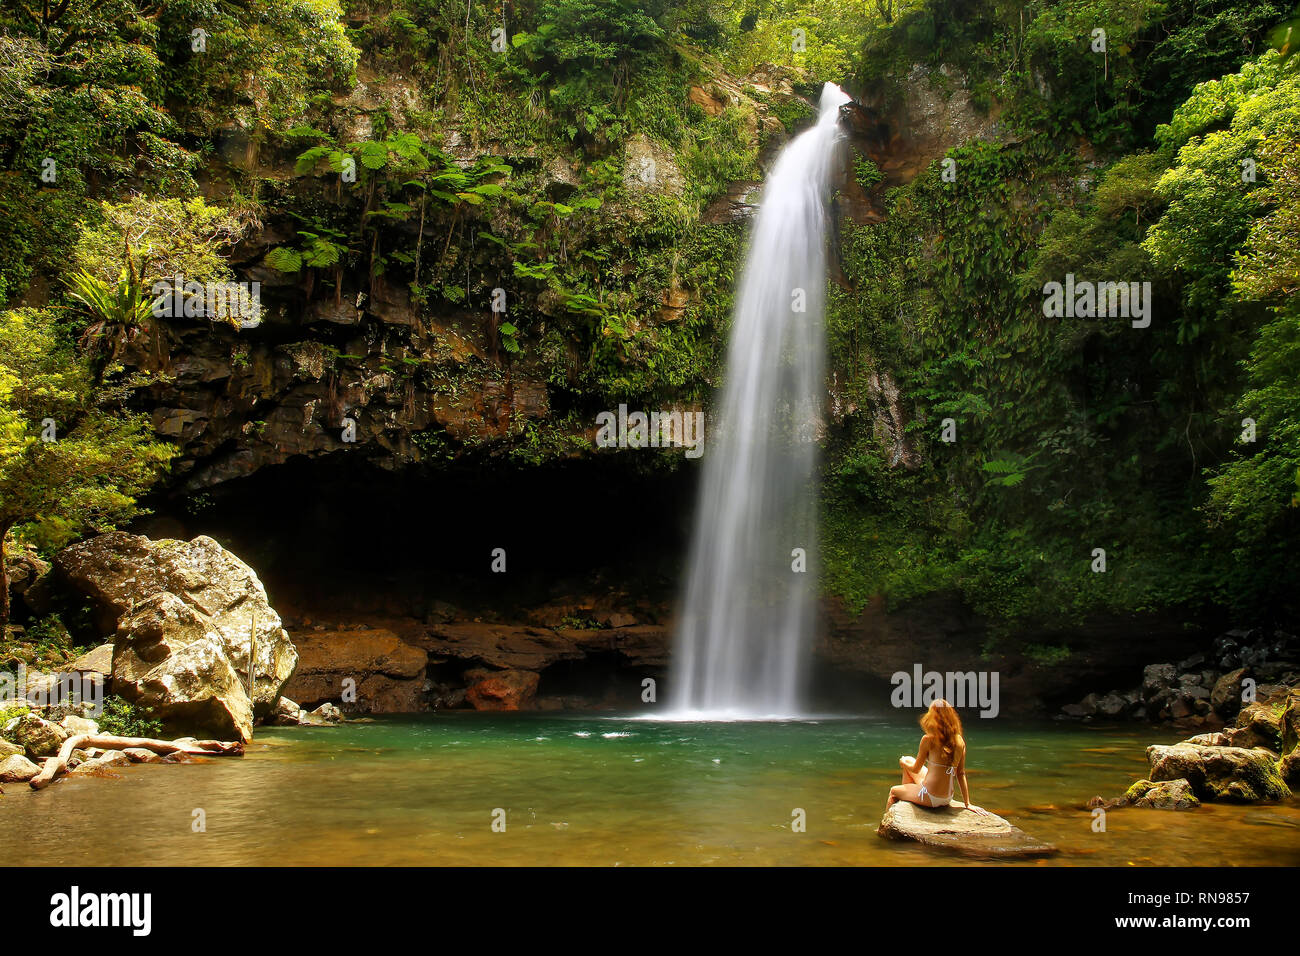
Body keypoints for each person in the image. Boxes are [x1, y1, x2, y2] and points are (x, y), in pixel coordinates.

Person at [886, 698, 989, 815]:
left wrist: (902, 763)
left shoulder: (928, 739)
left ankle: (898, 812)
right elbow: (961, 774)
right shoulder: (959, 741)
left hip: (930, 796)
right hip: (947, 797)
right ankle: (910, 795)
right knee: (909, 759)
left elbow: (915, 769)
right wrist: (967, 803)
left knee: (893, 791)